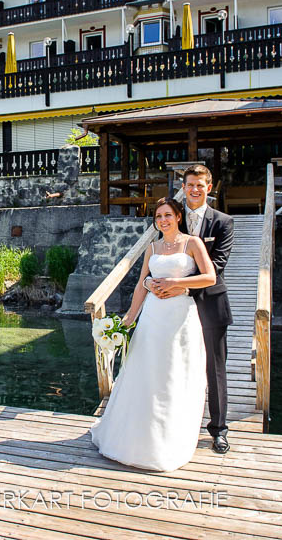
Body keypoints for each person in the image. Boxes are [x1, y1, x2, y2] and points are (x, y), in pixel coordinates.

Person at [90, 198, 217, 471]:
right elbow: (140, 286)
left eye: (168, 215)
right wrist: (129, 317)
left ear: (178, 217)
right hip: (152, 317)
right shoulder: (152, 247)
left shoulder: (192, 243)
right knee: (145, 373)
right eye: (158, 216)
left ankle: (168, 440)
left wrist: (177, 283)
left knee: (172, 374)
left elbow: (210, 277)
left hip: (180, 317)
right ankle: (134, 438)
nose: (163, 220)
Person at [148, 164, 234, 454]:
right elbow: (158, 253)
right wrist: (152, 283)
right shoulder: (173, 218)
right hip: (173, 309)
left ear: (209, 188)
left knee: (214, 367)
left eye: (200, 185)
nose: (195, 190)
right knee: (172, 365)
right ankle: (175, 426)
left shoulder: (222, 222)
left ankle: (219, 430)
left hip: (209, 302)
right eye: (190, 185)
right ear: (183, 187)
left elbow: (218, 265)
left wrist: (180, 285)